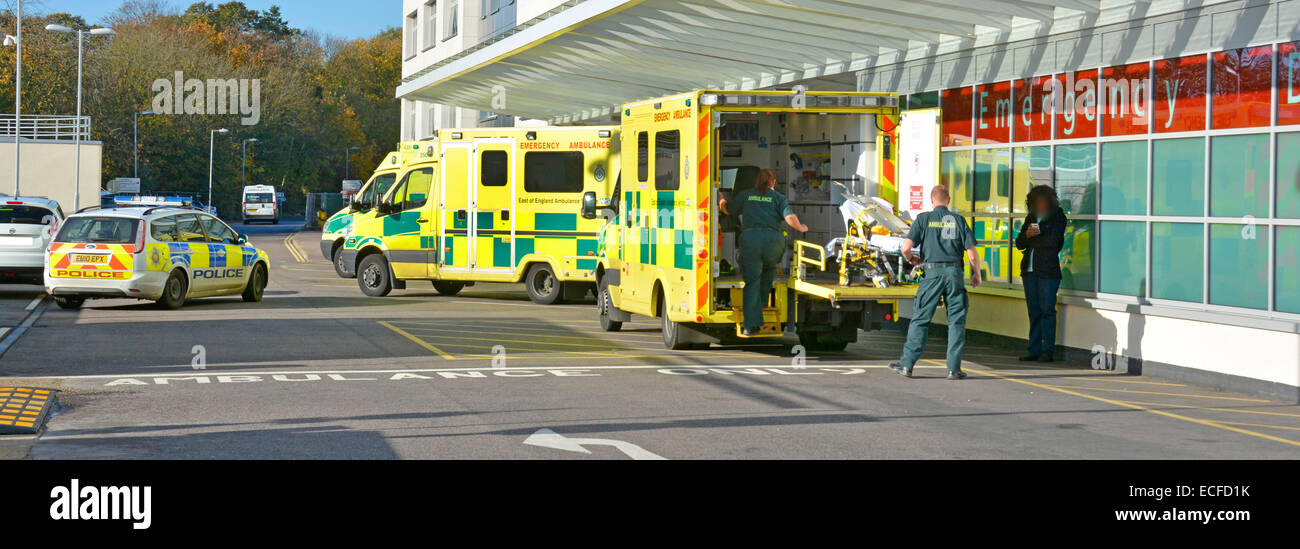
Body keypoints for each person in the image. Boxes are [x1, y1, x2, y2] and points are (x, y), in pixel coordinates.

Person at [889, 185, 982, 380]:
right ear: (948, 200)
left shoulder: (923, 219)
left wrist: (911, 260)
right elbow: (972, 254)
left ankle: (907, 365)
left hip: (931, 273)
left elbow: (906, 247)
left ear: (932, 200)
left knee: (921, 318)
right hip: (954, 273)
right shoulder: (959, 220)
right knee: (956, 320)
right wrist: (976, 274)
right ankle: (953, 369)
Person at [719, 168, 809, 336]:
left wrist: (721, 200)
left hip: (751, 241)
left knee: (752, 283)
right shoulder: (778, 198)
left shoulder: (746, 195)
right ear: (773, 182)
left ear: (756, 181)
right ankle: (757, 316)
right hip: (773, 243)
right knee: (768, 275)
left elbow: (728, 210)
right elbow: (789, 218)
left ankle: (750, 325)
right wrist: (801, 227)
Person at [1014, 185, 1067, 362]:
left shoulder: (1058, 217)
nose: (1040, 205)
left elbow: (1054, 242)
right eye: (1037, 202)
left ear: (1049, 201)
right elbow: (1019, 243)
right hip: (1029, 271)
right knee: (1034, 311)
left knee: (1047, 311)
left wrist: (1036, 237)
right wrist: (1028, 235)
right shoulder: (1031, 217)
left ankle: (1048, 350)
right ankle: (1034, 349)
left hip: (1048, 272)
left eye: (1043, 201)